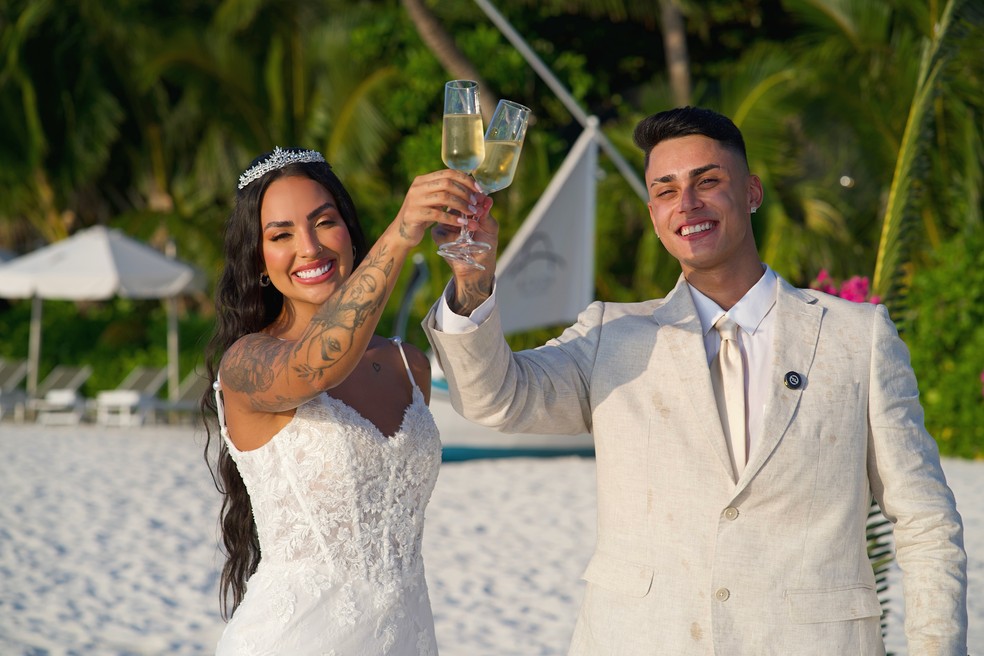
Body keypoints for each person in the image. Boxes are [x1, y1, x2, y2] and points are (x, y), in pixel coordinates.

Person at [423, 107, 967, 654]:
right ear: (653, 211)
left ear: (751, 191)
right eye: (666, 190)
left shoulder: (858, 337)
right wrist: (473, 284)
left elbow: (925, 523)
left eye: (708, 181)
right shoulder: (611, 334)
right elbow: (494, 399)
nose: (687, 204)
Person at [201, 146, 488, 655]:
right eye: (281, 235)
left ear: (350, 234)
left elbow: (492, 396)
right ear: (260, 262)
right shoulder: (247, 364)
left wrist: (474, 279)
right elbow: (321, 361)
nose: (309, 248)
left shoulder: (407, 365)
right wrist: (403, 231)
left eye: (324, 223)